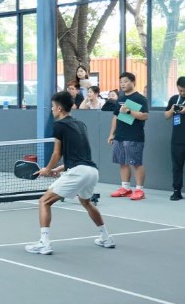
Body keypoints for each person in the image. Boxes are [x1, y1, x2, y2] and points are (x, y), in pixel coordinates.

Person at [25, 91, 115, 255]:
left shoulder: (59, 125)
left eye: (53, 107)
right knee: (87, 202)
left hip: (79, 171)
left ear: (59, 108)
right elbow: (79, 155)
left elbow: (56, 154)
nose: (52, 110)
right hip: (92, 171)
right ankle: (105, 237)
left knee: (44, 202)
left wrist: (46, 169)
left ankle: (44, 243)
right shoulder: (80, 124)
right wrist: (59, 169)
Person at [107, 72, 149, 201]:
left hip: (134, 136)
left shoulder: (140, 98)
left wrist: (129, 111)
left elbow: (145, 116)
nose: (122, 84)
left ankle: (139, 190)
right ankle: (125, 188)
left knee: (136, 163)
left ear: (133, 82)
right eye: (121, 82)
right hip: (120, 135)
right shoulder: (120, 98)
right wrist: (111, 134)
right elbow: (115, 117)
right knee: (122, 162)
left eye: (125, 81)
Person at [164, 76, 185, 201]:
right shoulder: (174, 99)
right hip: (177, 140)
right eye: (180, 90)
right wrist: (172, 110)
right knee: (176, 167)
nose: (183, 93)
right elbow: (166, 116)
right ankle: (176, 191)